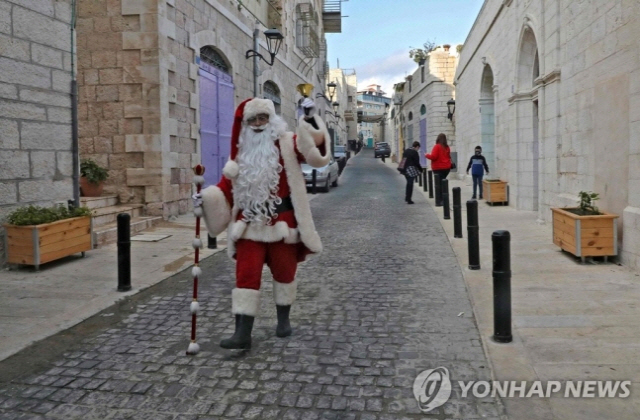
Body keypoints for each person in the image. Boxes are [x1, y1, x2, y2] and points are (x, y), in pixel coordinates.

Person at [192, 97, 330, 350]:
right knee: (246, 275)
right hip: (249, 225)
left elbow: (314, 153)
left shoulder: (288, 142)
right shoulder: (240, 154)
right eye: (252, 120)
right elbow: (226, 188)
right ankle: (242, 333)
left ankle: (283, 321)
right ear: (246, 124)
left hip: (283, 225)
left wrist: (309, 120)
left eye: (262, 118)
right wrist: (204, 198)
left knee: (285, 273)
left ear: (271, 120)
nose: (257, 124)